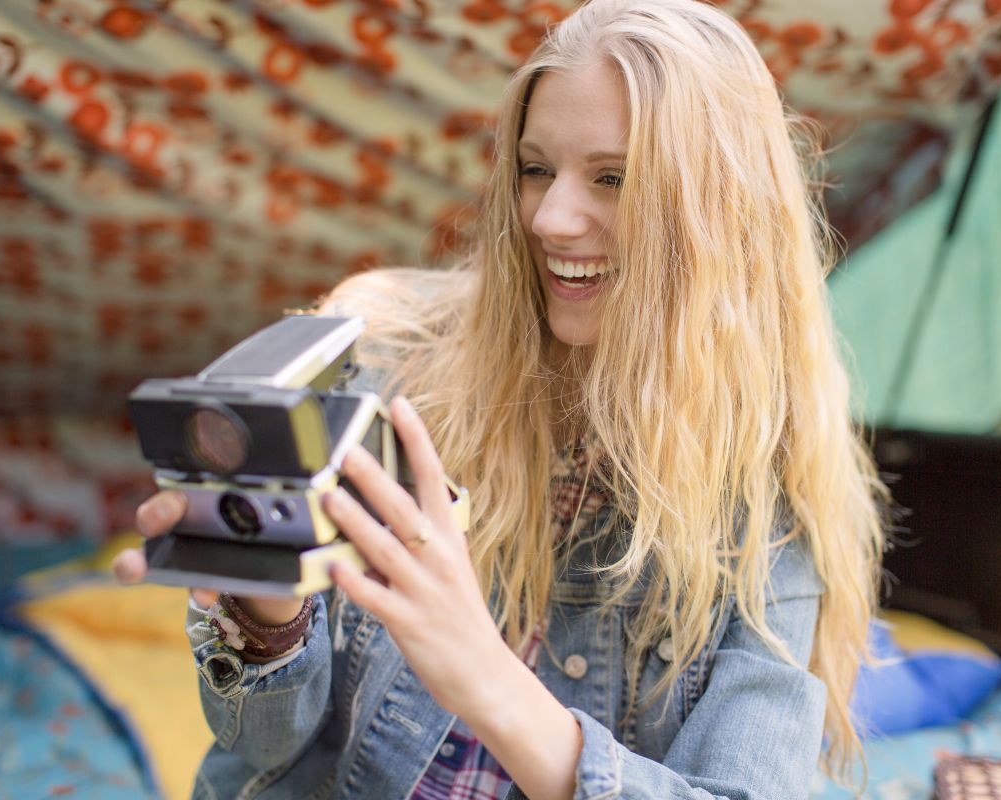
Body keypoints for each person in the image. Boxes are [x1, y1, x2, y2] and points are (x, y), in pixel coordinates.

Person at [113, 1, 887, 797]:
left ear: (718, 211)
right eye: (536, 168)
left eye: (613, 177)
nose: (550, 218)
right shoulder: (389, 359)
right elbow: (263, 746)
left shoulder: (765, 499)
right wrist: (267, 616)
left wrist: (486, 677)